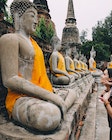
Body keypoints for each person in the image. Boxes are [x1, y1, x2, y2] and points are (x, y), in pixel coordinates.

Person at [0, 0, 67, 132]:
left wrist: (50, 94)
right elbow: (10, 79)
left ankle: (59, 103)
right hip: (20, 98)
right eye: (32, 16)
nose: (36, 20)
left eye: (37, 16)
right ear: (18, 16)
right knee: (48, 116)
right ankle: (59, 104)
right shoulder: (9, 39)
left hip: (41, 92)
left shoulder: (34, 44)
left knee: (71, 93)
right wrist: (50, 96)